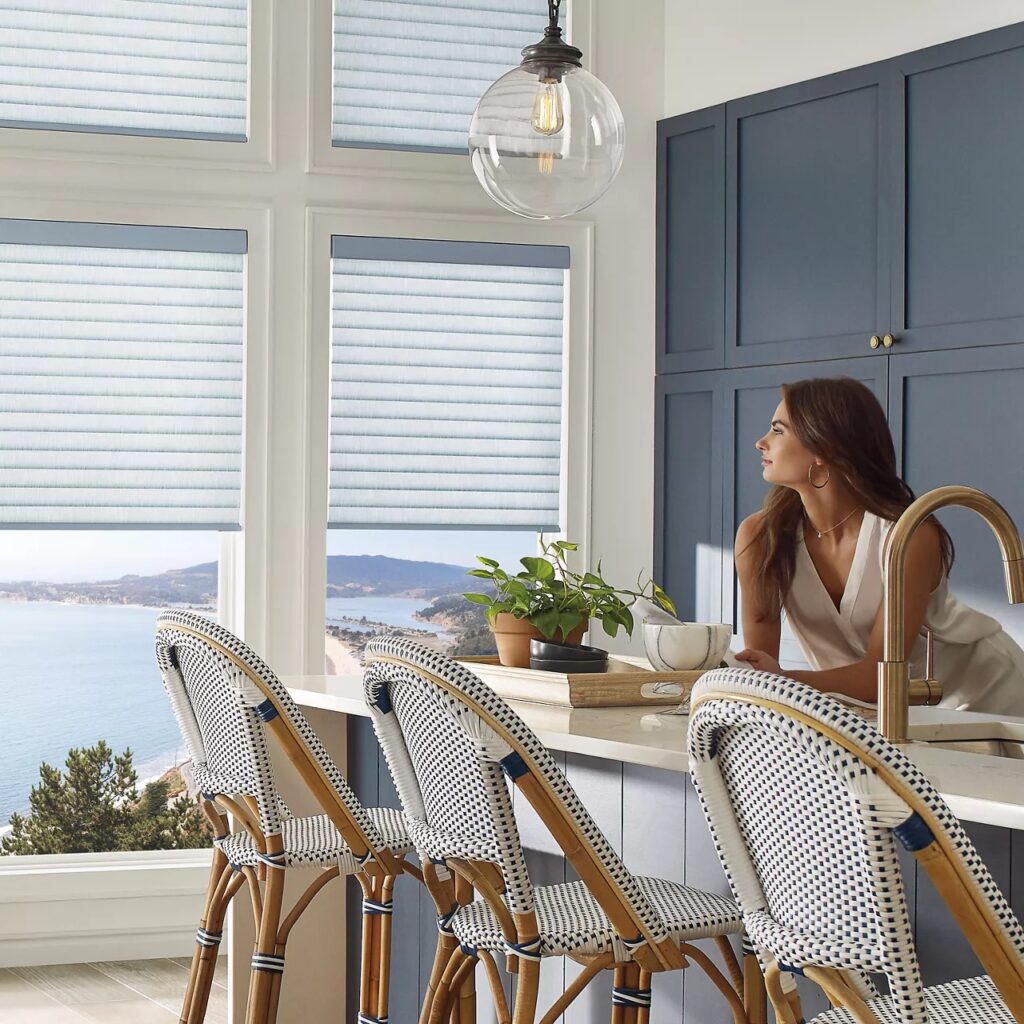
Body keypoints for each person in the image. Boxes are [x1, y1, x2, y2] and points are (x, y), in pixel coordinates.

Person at [733, 376, 1024, 715]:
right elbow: (761, 671)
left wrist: (782, 679)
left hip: (987, 696)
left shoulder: (908, 536)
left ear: (824, 449)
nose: (760, 442)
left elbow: (880, 676)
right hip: (885, 712)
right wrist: (771, 679)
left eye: (778, 430)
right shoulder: (760, 538)